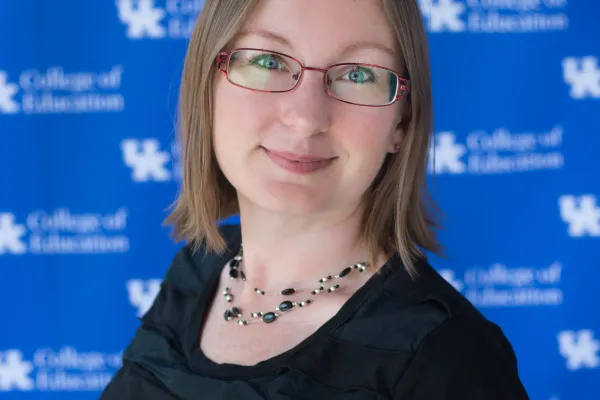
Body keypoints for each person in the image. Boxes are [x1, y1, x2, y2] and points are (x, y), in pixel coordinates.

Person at [100, 0, 530, 398]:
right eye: (268, 61)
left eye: (358, 74)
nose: (306, 118)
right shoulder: (197, 271)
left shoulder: (451, 357)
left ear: (402, 122)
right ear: (207, 86)